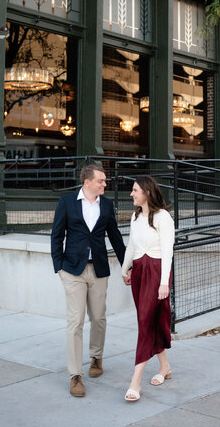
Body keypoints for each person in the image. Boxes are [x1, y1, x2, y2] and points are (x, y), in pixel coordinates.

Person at [51, 163, 126, 397]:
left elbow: (115, 236)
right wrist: (58, 267)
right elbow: (56, 235)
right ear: (87, 182)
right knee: (75, 322)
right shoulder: (67, 202)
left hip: (99, 269)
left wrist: (127, 266)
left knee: (99, 318)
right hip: (73, 270)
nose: (105, 184)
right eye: (101, 181)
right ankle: (75, 375)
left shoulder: (107, 205)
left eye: (105, 180)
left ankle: (96, 357)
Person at [122, 175, 175, 402]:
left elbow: (168, 252)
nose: (131, 194)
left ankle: (135, 381)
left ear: (147, 192)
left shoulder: (163, 217)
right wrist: (125, 269)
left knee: (145, 322)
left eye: (135, 190)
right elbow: (131, 246)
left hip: (156, 273)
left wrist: (164, 283)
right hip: (139, 272)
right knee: (148, 321)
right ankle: (165, 367)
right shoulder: (135, 217)